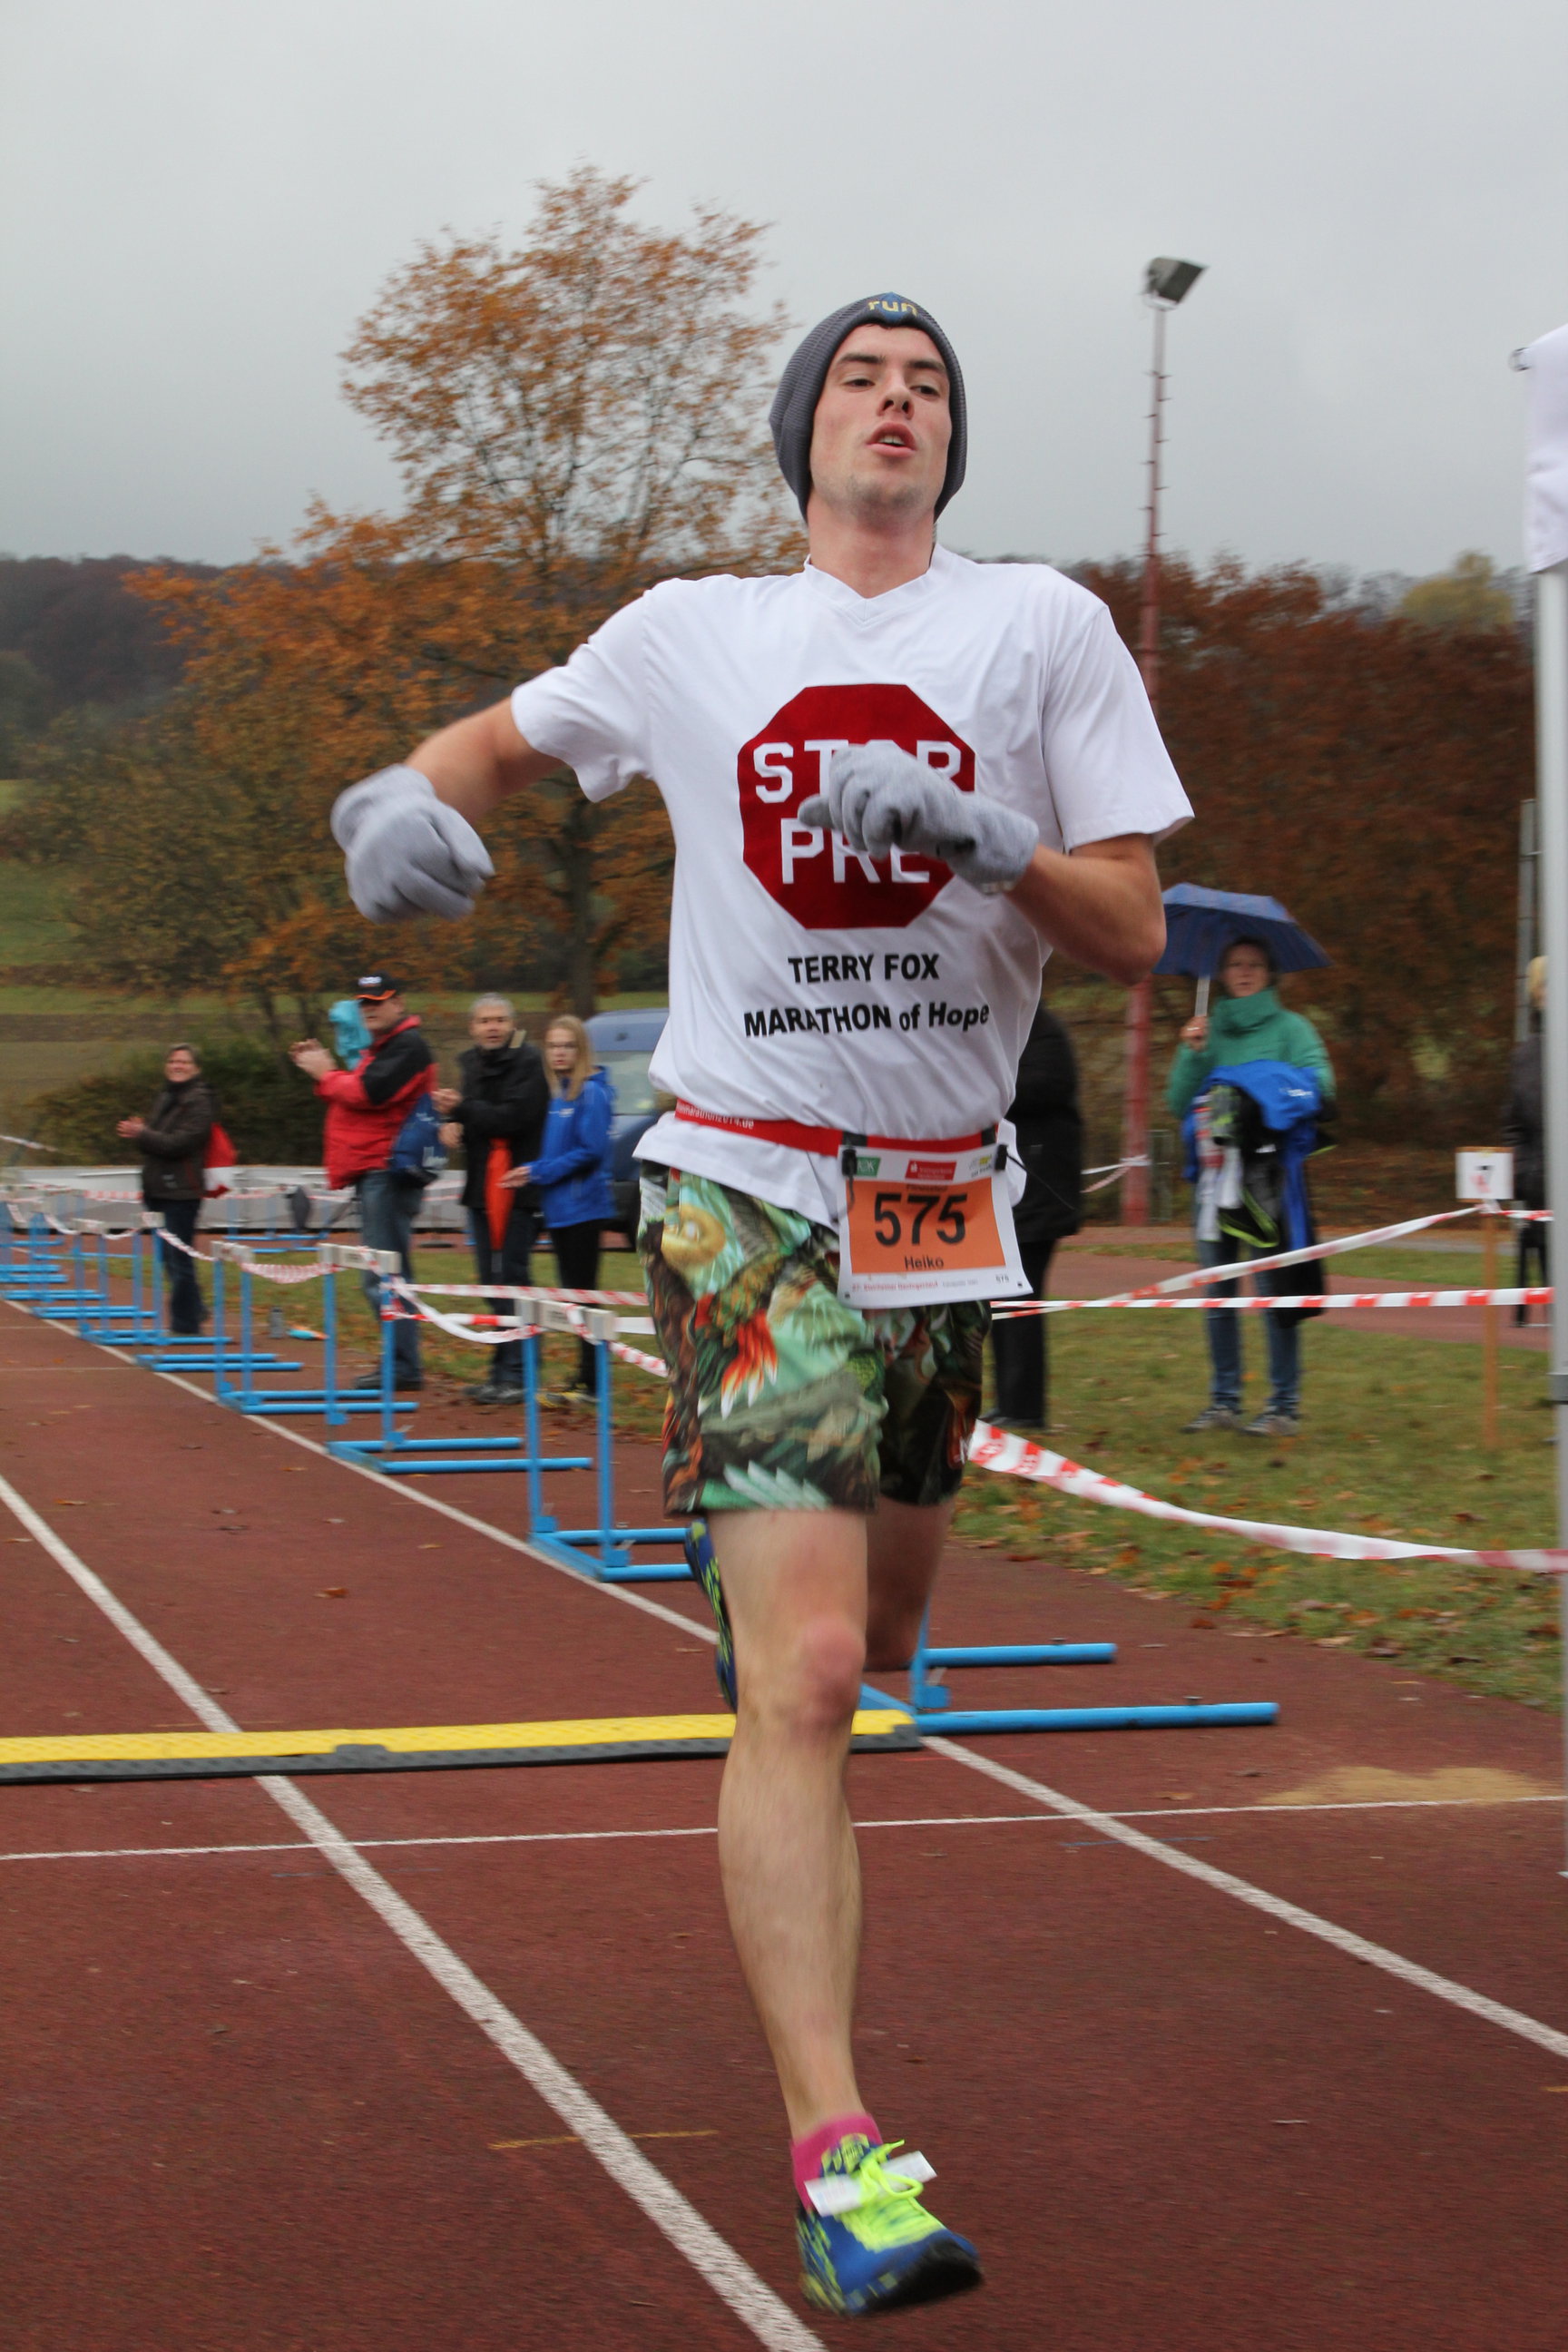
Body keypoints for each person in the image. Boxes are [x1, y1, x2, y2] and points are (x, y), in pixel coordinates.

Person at [328, 291, 1189, 2315]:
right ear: (803, 432)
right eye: (860, 381)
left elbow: (1134, 929)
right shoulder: (693, 633)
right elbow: (488, 746)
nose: (897, 405)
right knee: (801, 1675)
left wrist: (992, 841)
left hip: (939, 1207)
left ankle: (798, 1608)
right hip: (740, 1183)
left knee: (875, 1640)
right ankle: (835, 2151)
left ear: (952, 443)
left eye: (929, 385)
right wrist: (406, 802)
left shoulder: (1041, 629)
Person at [1167, 936, 1335, 1436]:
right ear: (1221, 972)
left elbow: (1323, 1087)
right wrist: (1192, 1054)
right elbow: (1177, 1102)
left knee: (1272, 1293)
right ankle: (1224, 1401)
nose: (1244, 972)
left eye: (1255, 965)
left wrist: (1262, 1086)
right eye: (1235, 964)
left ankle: (1283, 1406)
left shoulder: (1292, 1029)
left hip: (1269, 1181)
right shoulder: (1206, 1030)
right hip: (1213, 1178)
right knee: (1218, 1295)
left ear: (1270, 973)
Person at [289, 974, 434, 1391]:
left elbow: (368, 1094)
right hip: (376, 1171)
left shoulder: (408, 1046)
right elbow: (357, 1093)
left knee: (384, 1275)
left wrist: (326, 1074)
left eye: (378, 1001)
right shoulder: (385, 1047)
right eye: (364, 1003)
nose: (369, 1008)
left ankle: (404, 1365)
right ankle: (401, 1361)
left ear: (399, 1003)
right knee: (383, 1273)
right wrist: (327, 1075)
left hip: (387, 1171)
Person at [435, 995, 548, 1403]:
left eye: (500, 1020)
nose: (493, 1027)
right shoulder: (470, 1064)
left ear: (512, 1024)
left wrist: (463, 1110)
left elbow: (513, 1118)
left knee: (512, 1277)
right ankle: (501, 1371)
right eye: (485, 1021)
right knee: (490, 1280)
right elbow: (476, 1119)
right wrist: (453, 1126)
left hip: (517, 1186)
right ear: (473, 1028)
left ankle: (520, 1372)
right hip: (481, 1187)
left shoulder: (530, 1062)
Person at [500, 1013, 614, 1403]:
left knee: (583, 1295)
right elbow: (559, 1152)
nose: (559, 1053)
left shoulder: (591, 1094)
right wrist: (532, 1170)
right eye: (553, 1046)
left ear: (581, 1049)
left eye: (567, 1046)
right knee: (574, 1295)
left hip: (584, 1208)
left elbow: (591, 1151)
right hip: (561, 1209)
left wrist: (540, 1171)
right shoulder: (559, 1094)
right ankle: (586, 1376)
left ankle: (594, 1382)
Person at [986, 1002, 1082, 1430]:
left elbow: (1049, 1085)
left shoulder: (1043, 1032)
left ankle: (1024, 1407)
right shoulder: (1004, 1033)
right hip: (1012, 1190)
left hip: (1041, 1188)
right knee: (1001, 1300)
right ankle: (1008, 1401)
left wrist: (992, 1087)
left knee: (1021, 1298)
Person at [117, 1043, 215, 1336]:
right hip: (157, 1188)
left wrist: (143, 1134)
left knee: (178, 1258)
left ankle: (186, 1325)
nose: (177, 1066)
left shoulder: (200, 1101)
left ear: (196, 1068)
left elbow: (178, 1144)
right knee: (166, 1258)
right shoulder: (166, 1097)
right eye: (173, 1061)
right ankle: (194, 1307)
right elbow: (156, 1142)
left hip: (182, 1191)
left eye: (184, 1061)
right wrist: (140, 1134)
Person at [1504, 956, 1548, 1320]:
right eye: (1546, 986)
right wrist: (1523, 1174)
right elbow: (1514, 1126)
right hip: (1543, 1188)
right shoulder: (1526, 1056)